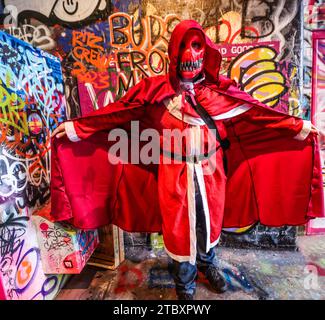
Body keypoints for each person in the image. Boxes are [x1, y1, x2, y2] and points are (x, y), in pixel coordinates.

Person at [51, 20, 324, 300]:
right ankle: (185, 281)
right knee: (180, 228)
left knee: (209, 223)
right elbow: (117, 114)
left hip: (211, 170)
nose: (191, 53)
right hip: (173, 170)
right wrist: (76, 129)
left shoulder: (220, 93)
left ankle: (207, 264)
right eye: (184, 45)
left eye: (196, 45)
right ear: (173, 52)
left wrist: (298, 126)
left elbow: (259, 114)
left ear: (205, 51)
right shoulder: (154, 91)